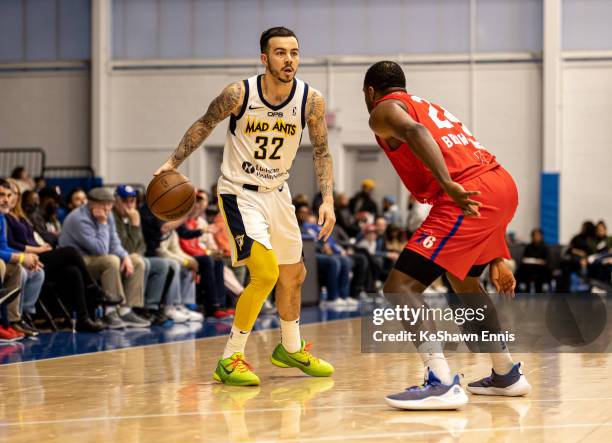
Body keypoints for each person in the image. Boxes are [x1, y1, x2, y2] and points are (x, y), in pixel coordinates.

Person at [155, 26, 335, 386]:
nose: (289, 60)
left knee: (293, 275)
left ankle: (290, 347)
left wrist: (327, 198)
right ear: (265, 58)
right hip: (239, 192)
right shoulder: (239, 93)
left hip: (278, 193)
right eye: (281, 53)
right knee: (265, 273)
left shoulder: (310, 100)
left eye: (295, 53)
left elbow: (321, 150)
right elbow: (204, 124)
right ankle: (230, 358)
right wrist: (173, 163)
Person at [363, 60, 531, 410]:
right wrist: (497, 254)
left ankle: (439, 381)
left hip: (465, 193)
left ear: (370, 92)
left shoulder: (383, 110)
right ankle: (506, 373)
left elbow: (417, 135)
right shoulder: (430, 105)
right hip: (499, 185)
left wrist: (447, 185)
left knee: (400, 287)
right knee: (463, 280)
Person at [6, 181, 106, 332]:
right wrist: (38, 249)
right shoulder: (5, 217)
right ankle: (93, 289)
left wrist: (42, 246)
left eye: (13, 194)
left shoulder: (21, 216)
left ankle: (83, 319)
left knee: (73, 270)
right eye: (6, 194)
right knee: (71, 252)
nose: (10, 198)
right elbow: (11, 243)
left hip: (37, 254)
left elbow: (35, 236)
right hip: (26, 256)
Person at [59, 187, 150, 329]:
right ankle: (110, 311)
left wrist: (125, 256)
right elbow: (101, 250)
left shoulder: (107, 214)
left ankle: (126, 310)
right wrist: (102, 224)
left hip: (95, 258)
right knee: (111, 261)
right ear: (92, 203)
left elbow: (114, 242)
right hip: (77, 262)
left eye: (110, 204)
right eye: (104, 204)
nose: (108, 208)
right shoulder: (79, 219)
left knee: (136, 262)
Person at [113, 185, 177, 325]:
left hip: (133, 256)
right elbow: (123, 247)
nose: (129, 205)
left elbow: (142, 244)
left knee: (163, 265)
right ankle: (132, 308)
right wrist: (135, 226)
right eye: (125, 200)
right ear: (116, 201)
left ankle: (151, 307)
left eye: (132, 200)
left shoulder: (133, 215)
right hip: (118, 258)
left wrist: (137, 253)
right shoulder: (114, 218)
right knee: (143, 262)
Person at [0, 179, 45, 337]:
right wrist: (20, 257)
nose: (6, 200)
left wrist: (25, 257)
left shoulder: (2, 217)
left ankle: (12, 321)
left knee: (18, 268)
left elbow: (4, 247)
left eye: (8, 195)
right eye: (1, 195)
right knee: (2, 265)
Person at [515, 228, 552, 293]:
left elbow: (548, 261)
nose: (536, 237)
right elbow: (524, 259)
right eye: (534, 236)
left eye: (538, 235)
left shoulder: (545, 247)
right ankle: (518, 290)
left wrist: (541, 262)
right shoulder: (528, 247)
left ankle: (540, 289)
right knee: (520, 269)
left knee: (544, 270)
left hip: (541, 269)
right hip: (529, 268)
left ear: (541, 237)